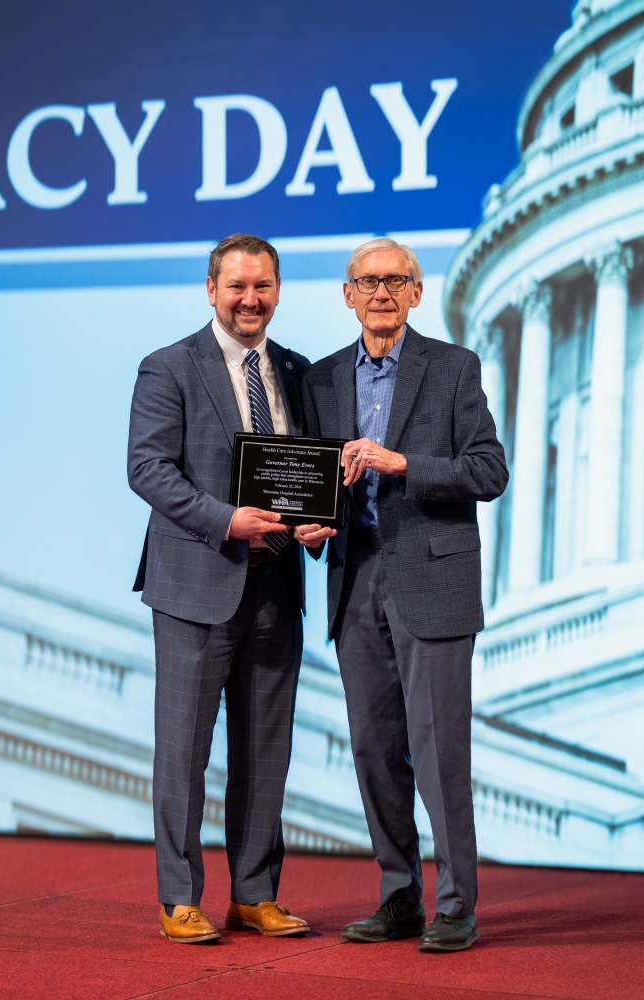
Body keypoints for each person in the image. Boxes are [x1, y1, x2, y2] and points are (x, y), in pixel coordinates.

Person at [299, 237, 508, 953]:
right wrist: (310, 526)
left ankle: (456, 905)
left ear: (417, 293)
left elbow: (489, 470)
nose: (381, 292)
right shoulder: (323, 379)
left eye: (395, 280)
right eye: (368, 281)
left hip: (433, 577)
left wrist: (403, 463)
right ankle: (398, 894)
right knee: (373, 748)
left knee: (440, 751)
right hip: (354, 576)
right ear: (348, 295)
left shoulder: (453, 368)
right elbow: (314, 480)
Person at [128, 233, 324, 944]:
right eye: (237, 286)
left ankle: (254, 894)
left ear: (278, 291)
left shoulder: (298, 373)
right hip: (195, 585)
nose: (250, 299)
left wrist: (316, 523)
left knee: (266, 751)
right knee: (183, 750)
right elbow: (148, 469)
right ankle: (179, 897)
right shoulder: (168, 367)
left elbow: (308, 473)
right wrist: (226, 521)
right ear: (210, 289)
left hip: (277, 587)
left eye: (262, 286)